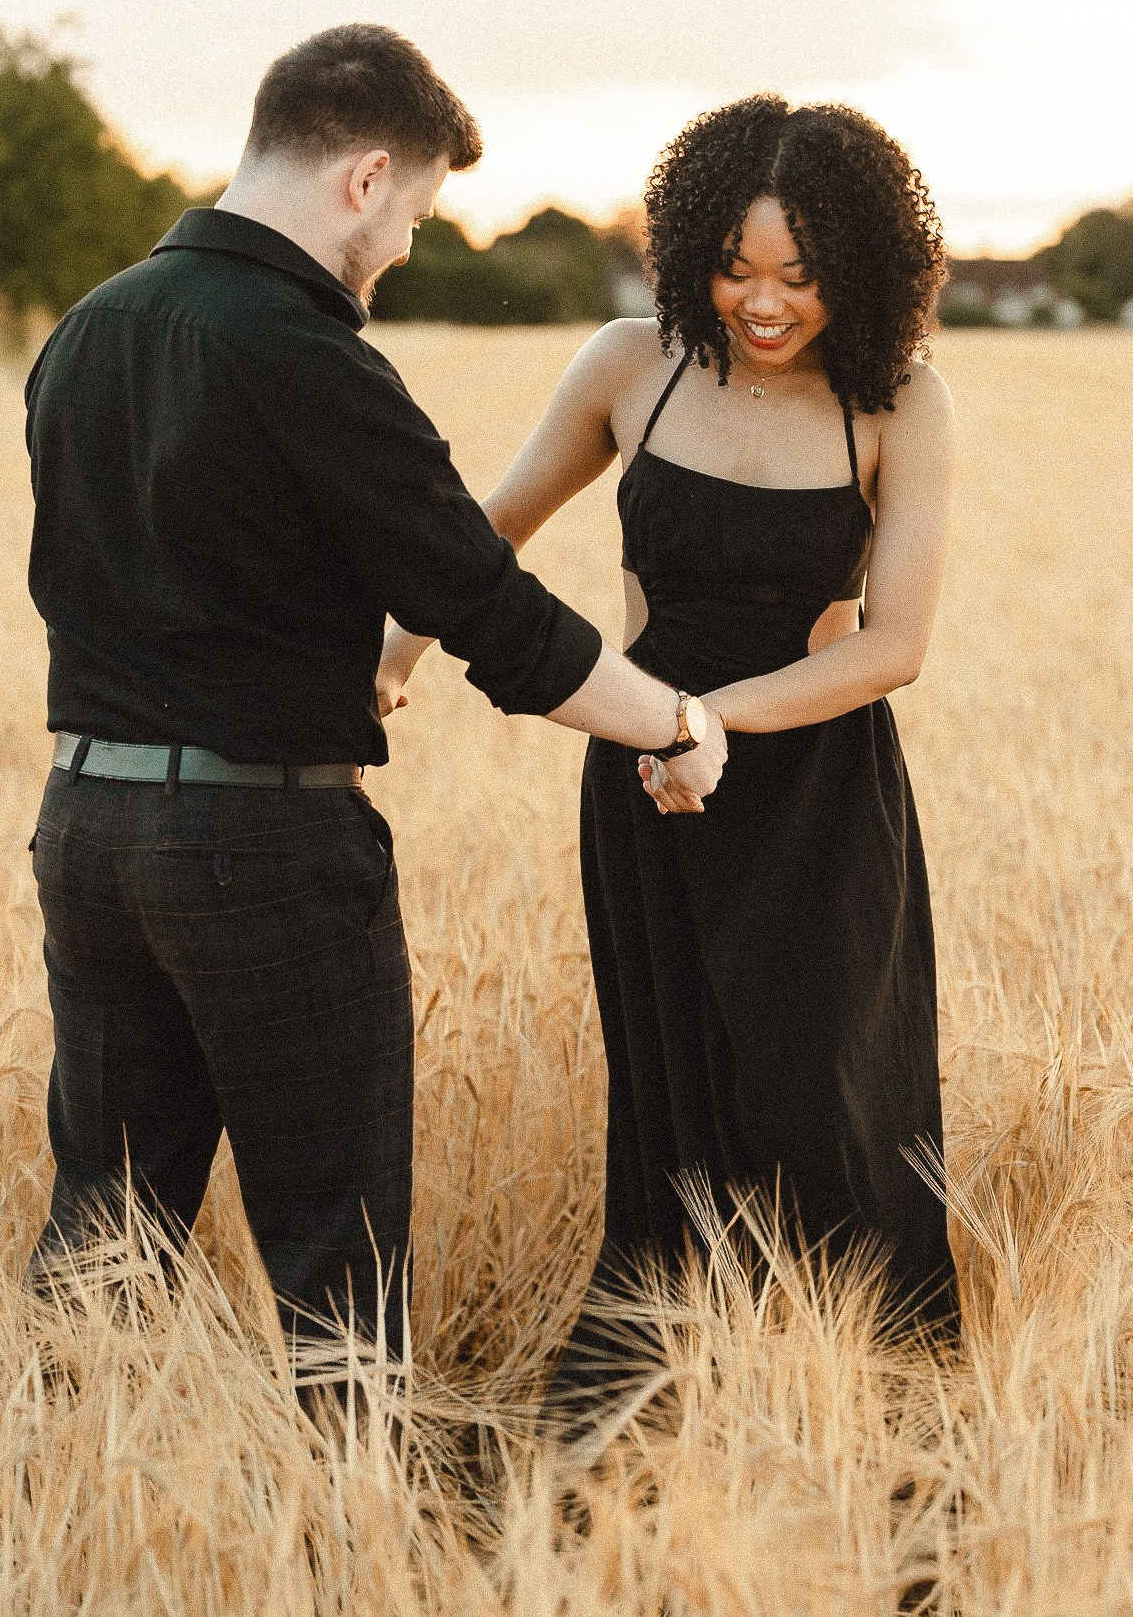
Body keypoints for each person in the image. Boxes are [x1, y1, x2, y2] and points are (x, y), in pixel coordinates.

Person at [19, 24, 727, 1420]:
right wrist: (671, 722)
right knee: (332, 1255)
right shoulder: (306, 354)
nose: (403, 250)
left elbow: (155, 569)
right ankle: (351, 1549)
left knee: (103, 1231)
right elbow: (488, 607)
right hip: (259, 844)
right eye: (413, 216)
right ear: (365, 175)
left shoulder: (85, 331)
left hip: (85, 825)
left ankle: (55, 1523)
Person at [376, 96, 962, 1415]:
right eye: (735, 267)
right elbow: (489, 533)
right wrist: (397, 650)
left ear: (859, 269)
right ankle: (644, 1424)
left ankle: (891, 1430)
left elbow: (893, 647)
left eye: (802, 276)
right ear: (688, 247)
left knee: (829, 1114)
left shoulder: (899, 405)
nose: (764, 303)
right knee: (675, 1112)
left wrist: (710, 721)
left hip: (815, 796)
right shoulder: (631, 367)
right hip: (644, 789)